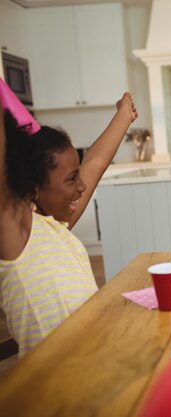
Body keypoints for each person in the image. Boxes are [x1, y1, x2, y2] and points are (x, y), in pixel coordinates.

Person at [0, 89, 138, 356]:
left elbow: (95, 162)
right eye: (71, 179)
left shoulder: (54, 227)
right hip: (55, 382)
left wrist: (123, 116)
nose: (82, 186)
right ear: (33, 187)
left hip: (93, 363)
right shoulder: (16, 233)